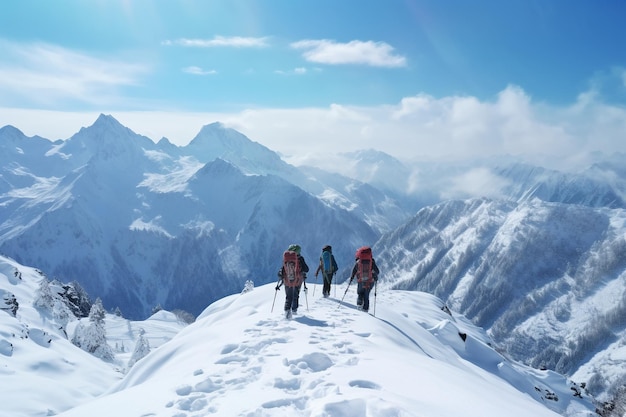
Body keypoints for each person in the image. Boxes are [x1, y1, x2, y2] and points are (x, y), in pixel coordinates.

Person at [276, 244, 309, 318]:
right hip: (297, 280)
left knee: (288, 296)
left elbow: (282, 270)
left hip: (287, 280)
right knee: (295, 295)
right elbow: (306, 269)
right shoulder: (300, 258)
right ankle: (294, 311)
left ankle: (287, 312)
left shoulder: (286, 259)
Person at [349, 246, 379, 313]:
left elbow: (354, 271)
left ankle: (359, 304)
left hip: (361, 281)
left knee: (360, 293)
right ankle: (365, 310)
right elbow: (377, 271)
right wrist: (373, 274)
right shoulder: (371, 262)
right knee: (366, 295)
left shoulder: (358, 262)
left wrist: (351, 278)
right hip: (370, 281)